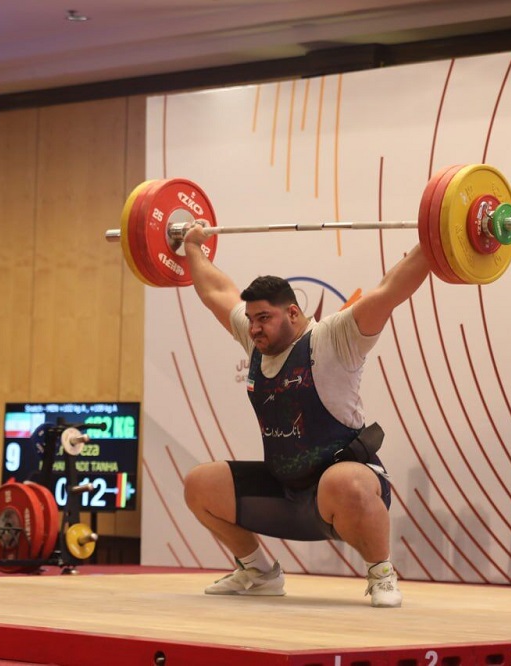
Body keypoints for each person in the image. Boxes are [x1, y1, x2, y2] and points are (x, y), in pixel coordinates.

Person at [180, 222, 430, 608]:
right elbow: (215, 291)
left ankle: (381, 573)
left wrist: (434, 240)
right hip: (285, 494)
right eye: (251, 319)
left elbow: (391, 289)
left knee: (345, 483)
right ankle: (258, 572)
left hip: (342, 494)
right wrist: (192, 246)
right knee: (200, 484)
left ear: (293, 312)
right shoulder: (256, 339)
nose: (254, 327)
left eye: (263, 318)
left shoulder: (335, 337)